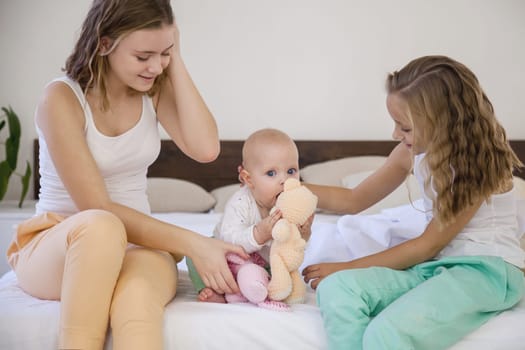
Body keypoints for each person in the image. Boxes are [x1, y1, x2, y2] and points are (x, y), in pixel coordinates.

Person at [5, 1, 248, 349]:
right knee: (101, 227)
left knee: (136, 303)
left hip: (139, 247)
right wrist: (194, 243)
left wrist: (174, 59)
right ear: (105, 44)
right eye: (143, 55)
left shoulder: (154, 87)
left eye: (164, 52)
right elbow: (97, 207)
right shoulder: (60, 98)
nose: (155, 66)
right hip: (60, 245)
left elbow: (206, 149)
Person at [302, 55, 525, 350]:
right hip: (440, 267)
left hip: (488, 272)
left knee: (388, 333)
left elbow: (426, 245)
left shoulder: (475, 165)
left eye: (404, 127)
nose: (396, 135)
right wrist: (290, 188)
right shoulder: (409, 152)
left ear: (442, 122)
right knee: (337, 289)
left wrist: (347, 266)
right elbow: (354, 199)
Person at [187, 128, 314, 304]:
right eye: (271, 173)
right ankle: (212, 288)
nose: (284, 180)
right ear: (248, 179)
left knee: (280, 268)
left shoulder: (290, 204)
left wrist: (303, 233)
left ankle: (261, 287)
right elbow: (229, 238)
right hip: (229, 260)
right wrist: (258, 234)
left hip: (266, 264)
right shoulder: (240, 202)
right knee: (194, 256)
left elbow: (293, 246)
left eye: (291, 171)